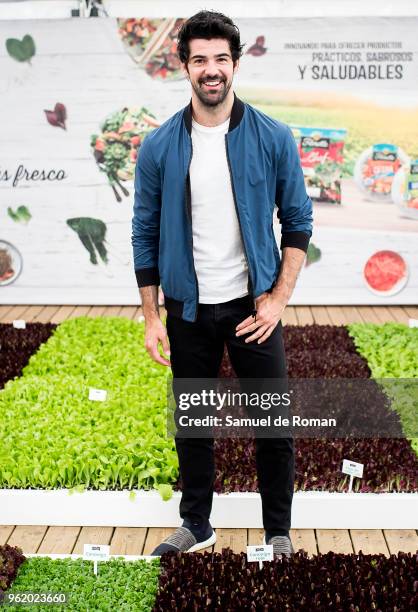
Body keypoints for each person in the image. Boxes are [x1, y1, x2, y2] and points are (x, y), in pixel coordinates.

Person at [131, 10, 313, 558]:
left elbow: (299, 221)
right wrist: (151, 315)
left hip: (251, 308)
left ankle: (278, 532)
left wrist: (277, 299)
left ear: (235, 65)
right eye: (200, 59)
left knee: (272, 426)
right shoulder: (160, 145)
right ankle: (197, 523)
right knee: (193, 424)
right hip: (188, 310)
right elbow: (143, 231)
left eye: (220, 59)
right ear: (184, 66)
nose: (211, 70)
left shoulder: (273, 137)